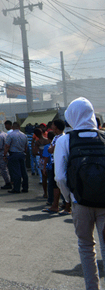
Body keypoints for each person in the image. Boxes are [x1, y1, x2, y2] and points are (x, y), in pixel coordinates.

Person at [55, 97, 105, 290]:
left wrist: (70, 199)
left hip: (80, 202)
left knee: (86, 246)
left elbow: (60, 177)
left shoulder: (65, 140)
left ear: (71, 117)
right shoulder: (103, 137)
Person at [5, 121, 29, 194]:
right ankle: (25, 187)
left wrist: (4, 155)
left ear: (12, 127)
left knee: (16, 172)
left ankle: (16, 188)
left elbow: (7, 146)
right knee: (24, 171)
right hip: (22, 154)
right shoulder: (24, 135)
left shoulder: (10, 135)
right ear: (19, 127)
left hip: (14, 154)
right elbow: (26, 147)